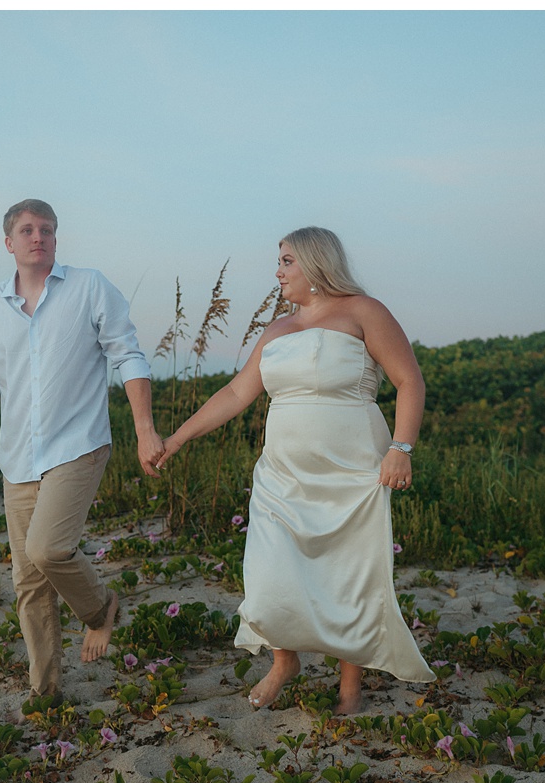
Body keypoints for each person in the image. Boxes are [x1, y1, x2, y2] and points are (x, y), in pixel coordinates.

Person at [155, 226, 435, 714]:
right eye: (279, 261)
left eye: (286, 261)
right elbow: (236, 394)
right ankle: (284, 660)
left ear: (315, 262)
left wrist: (401, 447)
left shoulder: (363, 312)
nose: (277, 271)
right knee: (269, 574)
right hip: (282, 473)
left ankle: (350, 688)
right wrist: (178, 436)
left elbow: (408, 379)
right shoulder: (277, 329)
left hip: (351, 470)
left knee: (349, 574)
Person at [0, 199, 165, 706]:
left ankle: (100, 609)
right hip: (17, 457)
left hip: (78, 445)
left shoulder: (89, 287)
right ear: (8, 242)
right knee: (29, 583)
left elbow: (128, 354)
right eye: (28, 230)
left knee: (49, 550)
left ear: (56, 239)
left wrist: (145, 429)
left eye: (48, 230)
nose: (40, 237)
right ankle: (46, 692)